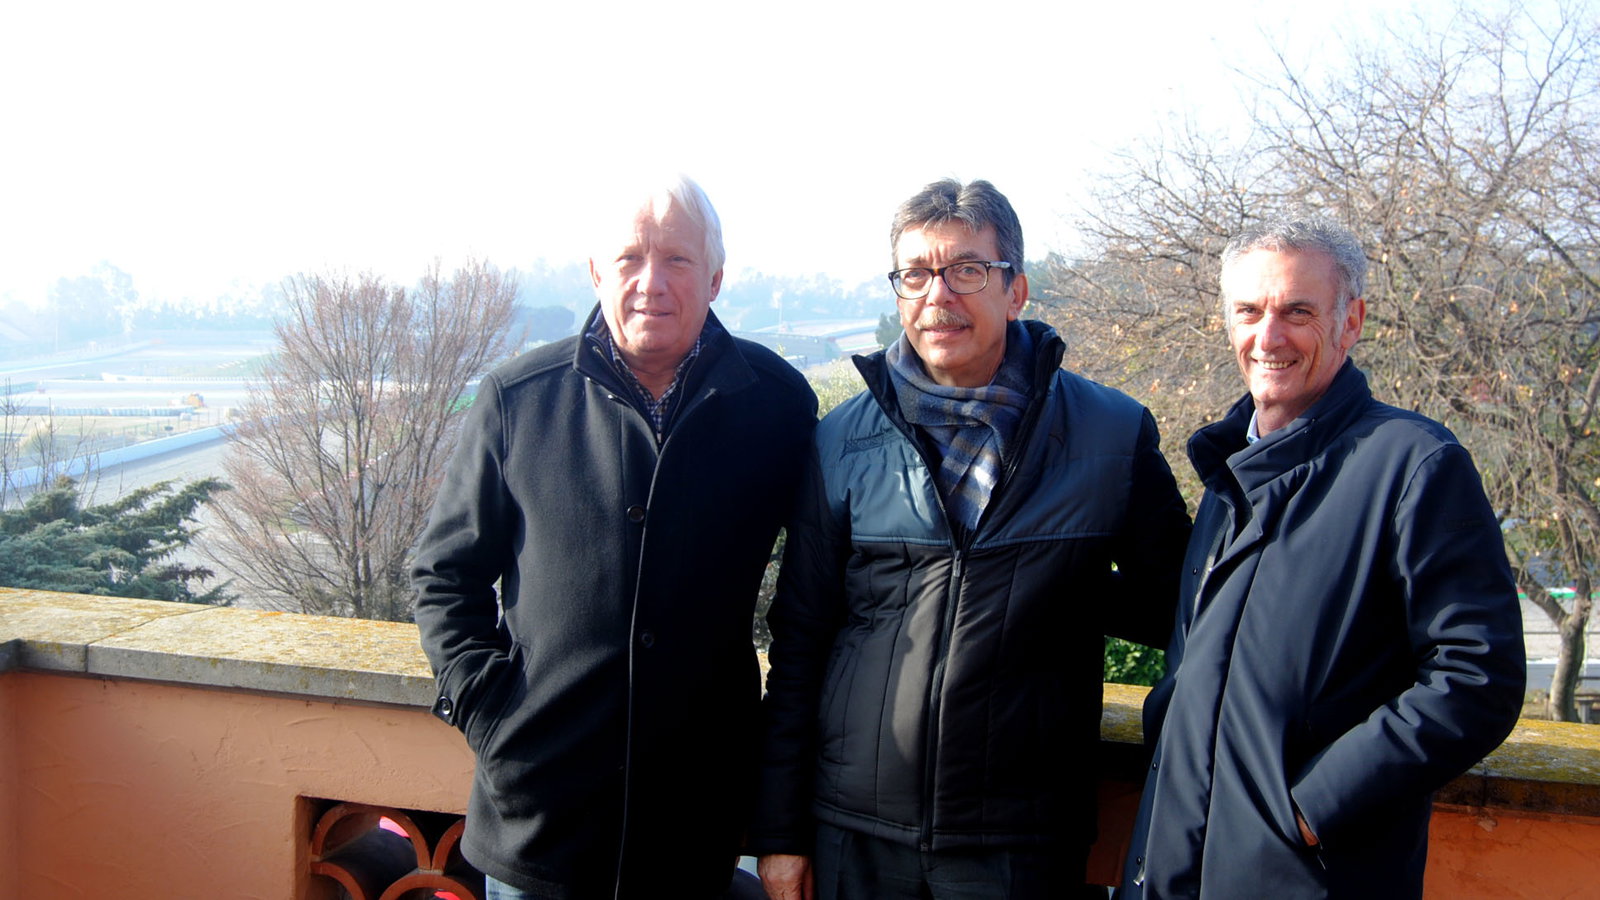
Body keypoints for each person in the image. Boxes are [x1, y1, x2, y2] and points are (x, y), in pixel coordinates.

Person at [752, 178, 1191, 899]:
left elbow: (1175, 605)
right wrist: (779, 834)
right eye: (916, 274)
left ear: (1015, 290)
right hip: (854, 836)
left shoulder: (1111, 433)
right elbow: (800, 642)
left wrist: (1064, 583)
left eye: (966, 271)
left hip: (1020, 842)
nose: (938, 296)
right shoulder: (841, 441)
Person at [411, 174, 817, 899]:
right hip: (539, 825)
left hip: (696, 824)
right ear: (596, 272)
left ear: (717, 278)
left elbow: (812, 601)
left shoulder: (779, 405)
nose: (650, 283)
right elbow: (444, 576)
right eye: (629, 259)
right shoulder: (516, 400)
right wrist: (493, 717)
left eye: (678, 261)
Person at [1121, 217, 1526, 899]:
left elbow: (1477, 677)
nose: (1268, 337)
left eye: (1297, 312)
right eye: (1248, 311)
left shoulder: (1414, 464)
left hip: (1309, 878)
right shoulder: (1230, 474)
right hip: (1172, 869)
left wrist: (1311, 810)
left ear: (1351, 320)